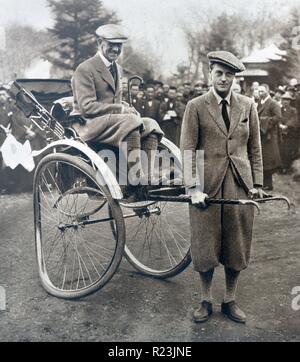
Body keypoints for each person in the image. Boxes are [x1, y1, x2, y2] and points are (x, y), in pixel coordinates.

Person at [181, 51, 266, 324]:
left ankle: (230, 299)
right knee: (205, 245)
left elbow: (254, 148)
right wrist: (193, 188)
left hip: (239, 185)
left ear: (235, 78)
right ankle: (205, 300)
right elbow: (187, 150)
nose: (224, 79)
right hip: (206, 187)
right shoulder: (195, 106)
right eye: (219, 73)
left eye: (229, 75)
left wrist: (258, 184)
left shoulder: (247, 105)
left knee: (236, 244)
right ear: (210, 74)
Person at [70, 24, 163, 190]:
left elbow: (115, 99)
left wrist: (126, 106)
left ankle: (146, 178)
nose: (115, 49)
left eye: (119, 45)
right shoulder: (85, 69)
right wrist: (121, 109)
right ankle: (136, 178)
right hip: (89, 124)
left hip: (111, 122)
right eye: (111, 44)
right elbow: (86, 107)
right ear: (100, 42)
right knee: (131, 121)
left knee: (151, 125)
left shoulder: (116, 68)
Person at [257, 84, 282, 190]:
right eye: (259, 91)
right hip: (261, 134)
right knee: (262, 159)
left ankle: (268, 184)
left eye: (262, 91)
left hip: (269, 135)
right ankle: (264, 182)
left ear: (267, 91)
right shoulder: (259, 103)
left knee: (268, 160)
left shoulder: (273, 103)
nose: (260, 93)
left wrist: (264, 122)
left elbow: (278, 117)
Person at [279, 92, 299, 173]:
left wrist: (287, 126)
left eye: (287, 100)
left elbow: (294, 120)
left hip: (290, 133)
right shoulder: (279, 109)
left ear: (290, 101)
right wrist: (279, 124)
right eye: (284, 99)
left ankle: (286, 167)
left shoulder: (293, 110)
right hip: (280, 132)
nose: (285, 101)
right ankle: (280, 166)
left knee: (288, 151)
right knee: (281, 150)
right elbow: (277, 117)